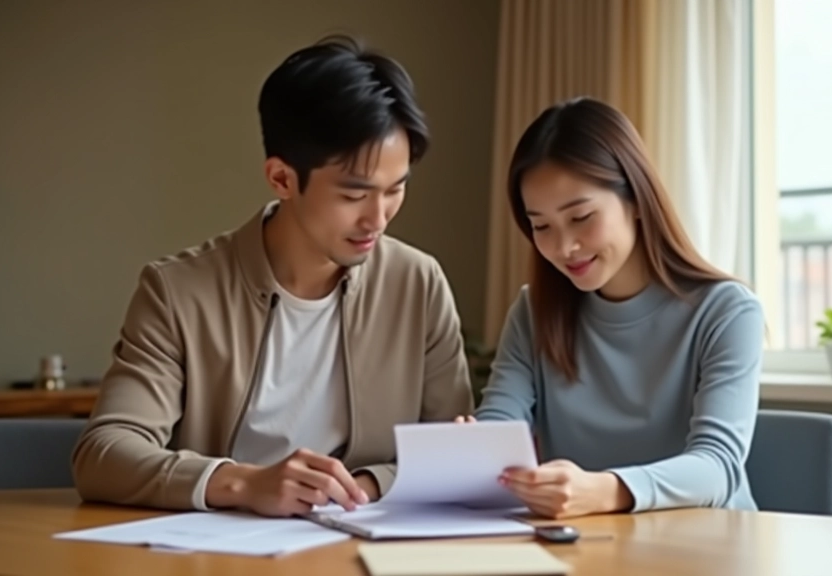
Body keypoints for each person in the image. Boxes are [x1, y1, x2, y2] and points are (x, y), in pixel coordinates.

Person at [72, 35, 473, 517]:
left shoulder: (418, 284)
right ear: (282, 178)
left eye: (396, 190)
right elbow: (104, 454)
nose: (378, 218)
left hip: (362, 549)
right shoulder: (178, 293)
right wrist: (244, 483)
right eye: (354, 196)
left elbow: (452, 450)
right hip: (215, 557)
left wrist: (362, 483)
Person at [464, 97, 764, 519]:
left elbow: (718, 467)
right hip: (587, 547)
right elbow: (501, 422)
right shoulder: (535, 312)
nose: (564, 247)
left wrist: (607, 490)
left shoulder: (726, 312)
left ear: (637, 200)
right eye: (542, 226)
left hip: (708, 548)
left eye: (582, 217)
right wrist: (477, 449)